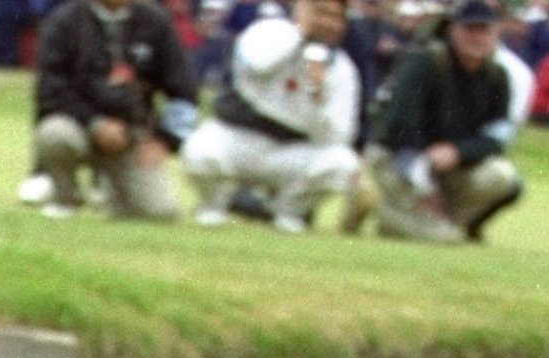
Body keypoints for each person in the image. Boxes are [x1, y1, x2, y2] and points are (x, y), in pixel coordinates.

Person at [182, 0, 359, 226]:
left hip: (290, 150)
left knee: (342, 164)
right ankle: (215, 206)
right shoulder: (269, 32)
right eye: (320, 13)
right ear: (302, 9)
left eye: (335, 17)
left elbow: (340, 135)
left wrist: (318, 96)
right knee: (200, 149)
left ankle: (288, 214)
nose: (327, 22)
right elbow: (258, 64)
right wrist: (300, 32)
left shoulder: (343, 68)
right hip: (240, 137)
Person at [366, 0, 523, 240]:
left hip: (447, 167)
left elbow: (497, 137)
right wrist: (426, 180)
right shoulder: (426, 63)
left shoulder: (496, 76)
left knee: (503, 177)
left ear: (495, 33)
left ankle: (430, 221)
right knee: (445, 238)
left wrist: (457, 152)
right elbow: (400, 125)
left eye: (484, 30)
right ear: (453, 30)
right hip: (399, 158)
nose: (477, 37)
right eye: (470, 29)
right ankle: (382, 209)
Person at [26, 0, 200, 216]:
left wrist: (165, 140)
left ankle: (113, 193)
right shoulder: (64, 21)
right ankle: (64, 196)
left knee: (161, 212)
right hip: (77, 125)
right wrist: (95, 123)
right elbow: (50, 91)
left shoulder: (156, 22)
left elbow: (183, 90)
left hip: (132, 134)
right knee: (54, 134)